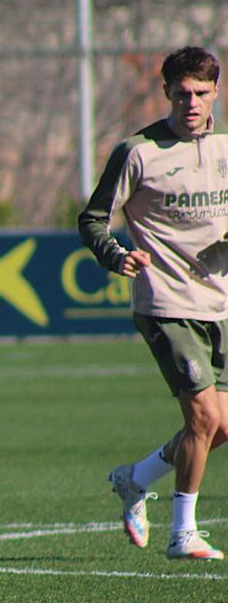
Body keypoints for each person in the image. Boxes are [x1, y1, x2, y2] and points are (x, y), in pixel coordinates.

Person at [79, 45, 228, 560]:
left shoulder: (227, 148)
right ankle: (182, 531)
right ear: (166, 92)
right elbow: (93, 219)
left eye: (202, 93)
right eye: (182, 92)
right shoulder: (138, 152)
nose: (192, 102)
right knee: (204, 419)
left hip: (220, 303)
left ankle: (137, 478)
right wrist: (114, 254)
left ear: (216, 92)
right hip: (164, 302)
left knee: (220, 426)